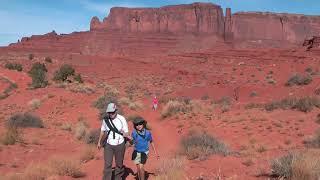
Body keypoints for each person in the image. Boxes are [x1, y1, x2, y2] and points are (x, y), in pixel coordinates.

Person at [97, 103, 130, 180]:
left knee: (119, 164)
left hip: (120, 144)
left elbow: (127, 132)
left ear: (116, 111)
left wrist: (124, 134)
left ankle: (118, 178)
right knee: (107, 164)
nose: (111, 114)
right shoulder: (106, 120)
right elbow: (102, 131)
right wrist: (99, 142)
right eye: (109, 112)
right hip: (108, 145)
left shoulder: (121, 119)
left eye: (113, 112)